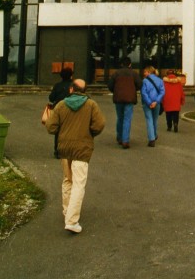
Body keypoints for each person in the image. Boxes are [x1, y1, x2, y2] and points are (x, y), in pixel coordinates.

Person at [46, 78, 106, 233]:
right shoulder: (91, 105)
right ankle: (72, 221)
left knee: (68, 180)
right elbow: (99, 125)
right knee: (79, 183)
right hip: (82, 148)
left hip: (64, 148)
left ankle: (67, 211)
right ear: (85, 91)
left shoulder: (60, 105)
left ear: (71, 89)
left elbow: (51, 127)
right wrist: (90, 133)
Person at [108, 57, 142, 149]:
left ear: (121, 64)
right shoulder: (134, 74)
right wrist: (132, 89)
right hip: (130, 99)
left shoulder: (116, 73)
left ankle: (119, 137)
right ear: (130, 64)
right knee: (127, 119)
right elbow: (139, 84)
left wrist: (116, 90)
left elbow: (110, 85)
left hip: (118, 98)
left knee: (120, 118)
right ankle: (125, 140)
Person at [47, 66, 73, 157]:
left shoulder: (57, 85)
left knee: (58, 131)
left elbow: (51, 98)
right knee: (70, 130)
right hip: (71, 110)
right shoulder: (73, 86)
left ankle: (58, 151)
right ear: (71, 76)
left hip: (58, 109)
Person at [141, 64, 165, 147]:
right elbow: (162, 92)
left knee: (149, 120)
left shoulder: (145, 81)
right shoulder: (160, 80)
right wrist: (156, 101)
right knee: (155, 120)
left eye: (145, 72)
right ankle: (154, 135)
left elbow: (144, 93)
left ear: (148, 72)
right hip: (156, 103)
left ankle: (151, 139)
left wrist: (149, 102)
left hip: (147, 103)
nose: (144, 73)